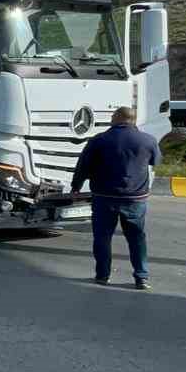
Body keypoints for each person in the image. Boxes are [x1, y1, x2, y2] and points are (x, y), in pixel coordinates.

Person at [71, 106, 162, 290]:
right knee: (137, 237)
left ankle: (102, 275)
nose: (111, 118)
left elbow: (83, 165)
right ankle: (141, 277)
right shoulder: (148, 140)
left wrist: (76, 186)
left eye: (113, 115)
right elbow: (156, 161)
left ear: (118, 118)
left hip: (104, 197)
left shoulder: (99, 140)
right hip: (135, 198)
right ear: (133, 120)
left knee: (103, 237)